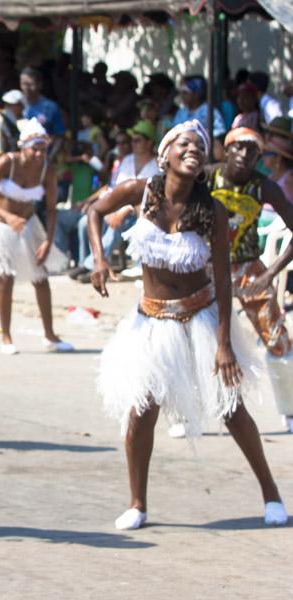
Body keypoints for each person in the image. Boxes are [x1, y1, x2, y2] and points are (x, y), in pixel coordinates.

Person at [89, 121, 287, 530]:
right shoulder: (140, 191)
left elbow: (223, 280)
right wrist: (98, 258)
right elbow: (95, 210)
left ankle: (272, 494)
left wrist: (223, 344)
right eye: (184, 143)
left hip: (200, 315)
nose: (193, 149)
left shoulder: (210, 209)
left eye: (199, 145)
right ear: (166, 155)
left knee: (231, 408)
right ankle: (137, 503)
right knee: (141, 411)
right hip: (151, 319)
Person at [208, 127, 293, 433]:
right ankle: (184, 414)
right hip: (206, 267)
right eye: (239, 148)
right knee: (191, 339)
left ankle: (289, 410)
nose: (244, 156)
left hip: (247, 268)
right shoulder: (207, 179)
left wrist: (270, 273)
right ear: (226, 150)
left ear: (259, 157)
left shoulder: (265, 187)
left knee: (278, 339)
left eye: (252, 151)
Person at [0, 118, 72, 355]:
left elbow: (50, 209)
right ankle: (6, 336)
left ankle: (49, 335)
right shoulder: (7, 162)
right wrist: (8, 217)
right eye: (35, 149)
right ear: (23, 147)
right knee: (5, 279)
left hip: (28, 225)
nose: (39, 154)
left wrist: (48, 240)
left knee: (41, 277)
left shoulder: (47, 171)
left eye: (43, 149)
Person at [71, 120, 160, 282]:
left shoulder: (157, 166)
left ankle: (93, 266)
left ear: (149, 143)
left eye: (137, 140)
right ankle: (84, 262)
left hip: (140, 214)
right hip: (116, 207)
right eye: (132, 140)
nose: (133, 144)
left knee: (116, 225)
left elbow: (150, 199)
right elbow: (114, 189)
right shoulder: (126, 161)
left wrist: (123, 211)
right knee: (85, 222)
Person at [19, 67, 65, 154]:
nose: (27, 88)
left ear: (39, 84)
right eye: (24, 84)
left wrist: (50, 158)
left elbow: (60, 136)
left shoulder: (50, 107)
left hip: (42, 156)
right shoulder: (15, 104)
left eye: (30, 84)